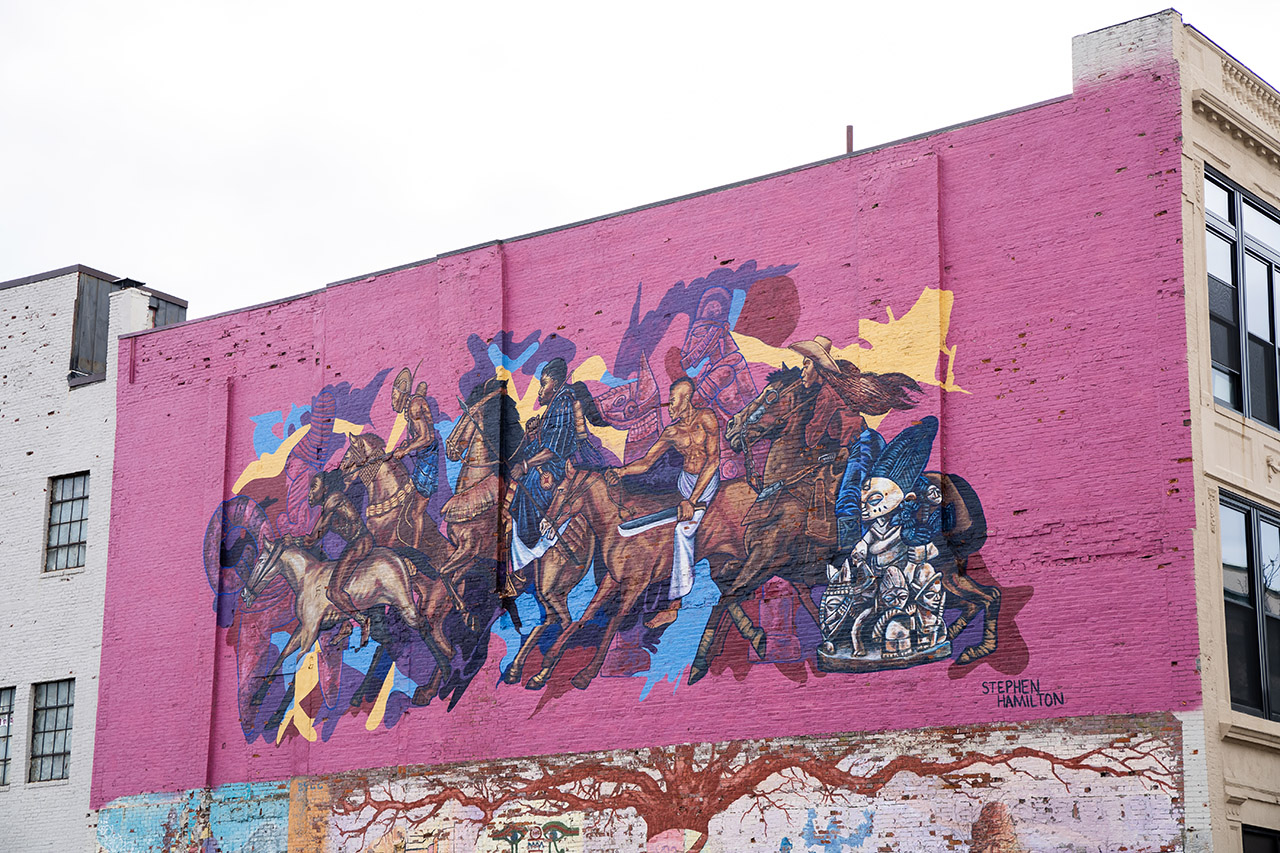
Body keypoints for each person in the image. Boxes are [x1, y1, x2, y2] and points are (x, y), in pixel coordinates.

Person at [787, 335, 920, 558]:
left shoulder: (827, 393)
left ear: (818, 368)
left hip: (862, 445)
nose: (802, 370)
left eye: (806, 364)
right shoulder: (831, 390)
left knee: (847, 498)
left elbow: (812, 436)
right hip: (865, 443)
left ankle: (853, 556)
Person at [604, 377, 720, 628]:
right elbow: (646, 462)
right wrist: (622, 471)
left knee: (682, 530)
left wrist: (692, 501)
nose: (669, 406)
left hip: (706, 481)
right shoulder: (672, 432)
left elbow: (713, 461)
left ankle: (675, 605)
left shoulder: (706, 419)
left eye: (674, 401)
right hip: (685, 482)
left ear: (686, 399)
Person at [508, 358, 581, 573]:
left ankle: (531, 547)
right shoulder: (554, 407)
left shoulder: (563, 403)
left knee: (530, 485)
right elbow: (544, 442)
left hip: (558, 468)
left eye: (544, 384)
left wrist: (526, 465)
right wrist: (533, 434)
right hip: (548, 462)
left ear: (556, 384)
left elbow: (553, 450)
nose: (540, 391)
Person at [293, 470, 374, 649]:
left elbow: (313, 538)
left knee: (333, 591)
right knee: (339, 584)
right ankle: (346, 624)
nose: (310, 493)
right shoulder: (330, 506)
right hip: (354, 544)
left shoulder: (334, 500)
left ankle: (363, 620)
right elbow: (314, 538)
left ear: (326, 488)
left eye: (314, 487)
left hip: (361, 542)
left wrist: (293, 541)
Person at [384, 369, 439, 498]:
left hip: (429, 457)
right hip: (424, 454)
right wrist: (408, 444)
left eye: (394, 398)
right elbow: (421, 434)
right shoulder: (411, 406)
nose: (393, 403)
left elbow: (426, 437)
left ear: (402, 395)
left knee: (416, 505)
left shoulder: (414, 407)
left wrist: (405, 450)